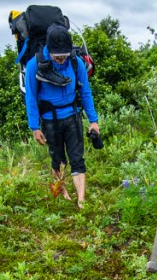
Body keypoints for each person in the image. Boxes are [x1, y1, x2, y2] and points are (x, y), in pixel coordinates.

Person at [24, 23, 100, 209]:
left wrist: (93, 120)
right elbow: (31, 97)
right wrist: (34, 127)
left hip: (72, 116)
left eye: (63, 56)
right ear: (49, 50)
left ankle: (81, 199)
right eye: (56, 57)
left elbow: (86, 92)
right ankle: (62, 190)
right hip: (50, 120)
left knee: (77, 158)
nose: (60, 60)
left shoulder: (75, 62)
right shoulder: (35, 65)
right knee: (57, 159)